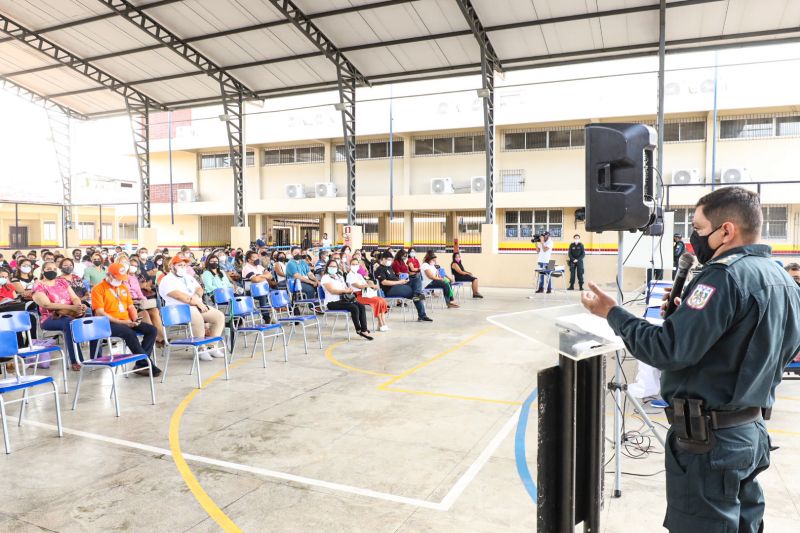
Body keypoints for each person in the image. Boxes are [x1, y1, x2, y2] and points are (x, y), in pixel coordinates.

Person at [580, 186, 800, 532]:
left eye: (697, 229)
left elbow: (666, 350)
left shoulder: (722, 276)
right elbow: (780, 349)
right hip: (750, 434)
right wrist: (691, 322)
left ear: (726, 231)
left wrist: (613, 314)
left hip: (710, 443)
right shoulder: (782, 280)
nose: (691, 241)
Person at [91, 264, 162, 377]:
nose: (120, 281)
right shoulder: (98, 289)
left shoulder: (123, 287)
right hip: (107, 324)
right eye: (117, 278)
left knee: (152, 330)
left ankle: (140, 363)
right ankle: (147, 363)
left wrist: (135, 319)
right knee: (128, 332)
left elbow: (130, 306)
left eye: (122, 279)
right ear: (108, 275)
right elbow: (99, 312)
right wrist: (121, 322)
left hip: (127, 321)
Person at [158, 256, 226, 361]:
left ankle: (212, 346)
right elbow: (180, 296)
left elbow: (199, 288)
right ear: (171, 266)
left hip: (196, 305)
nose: (183, 267)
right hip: (177, 310)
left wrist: (197, 297)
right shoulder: (167, 280)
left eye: (184, 265)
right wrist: (197, 302)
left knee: (219, 317)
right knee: (196, 316)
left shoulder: (188, 277)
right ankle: (200, 349)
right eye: (180, 265)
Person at [32, 261, 95, 371]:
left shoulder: (62, 282)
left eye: (54, 269)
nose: (52, 271)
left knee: (92, 319)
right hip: (50, 318)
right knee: (69, 323)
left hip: (70, 314)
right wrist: (71, 308)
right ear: (42, 271)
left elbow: (74, 297)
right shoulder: (39, 285)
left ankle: (96, 358)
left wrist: (79, 306)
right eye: (48, 269)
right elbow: (47, 304)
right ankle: (76, 360)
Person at [320, 259, 373, 340]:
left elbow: (345, 287)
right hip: (331, 303)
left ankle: (364, 329)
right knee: (354, 307)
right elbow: (332, 291)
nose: (333, 268)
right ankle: (358, 330)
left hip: (342, 300)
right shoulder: (325, 278)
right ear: (327, 267)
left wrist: (348, 290)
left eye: (334, 266)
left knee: (361, 306)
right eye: (331, 266)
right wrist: (345, 291)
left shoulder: (339, 276)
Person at [374, 254, 431, 322]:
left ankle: (417, 297)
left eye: (391, 260)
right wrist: (399, 282)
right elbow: (384, 282)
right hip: (390, 290)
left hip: (398, 285)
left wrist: (402, 281)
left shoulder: (389, 267)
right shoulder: (380, 269)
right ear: (383, 259)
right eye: (388, 260)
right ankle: (422, 315)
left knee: (417, 279)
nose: (390, 261)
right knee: (418, 295)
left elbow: (394, 278)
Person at [346, 257, 389, 331]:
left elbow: (366, 283)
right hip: (357, 296)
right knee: (377, 301)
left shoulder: (359, 275)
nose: (355, 266)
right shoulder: (349, 275)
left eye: (356, 264)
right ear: (350, 265)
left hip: (364, 293)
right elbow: (358, 286)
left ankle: (382, 323)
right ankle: (381, 323)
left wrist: (372, 285)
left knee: (382, 300)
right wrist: (370, 285)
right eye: (353, 264)